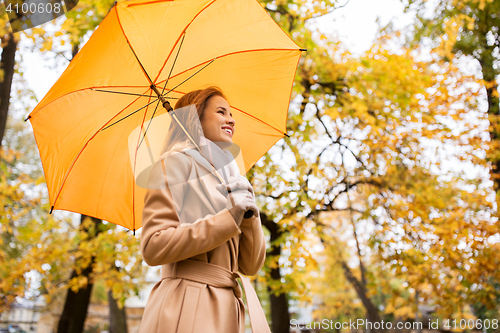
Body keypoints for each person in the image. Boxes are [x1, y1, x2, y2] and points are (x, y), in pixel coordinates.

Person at [137, 86, 270, 333]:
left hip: (228, 309)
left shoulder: (231, 178)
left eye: (231, 114)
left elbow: (250, 267)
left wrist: (250, 216)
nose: (231, 119)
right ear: (196, 117)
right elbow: (153, 246)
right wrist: (229, 218)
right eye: (221, 112)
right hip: (186, 306)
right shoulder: (175, 163)